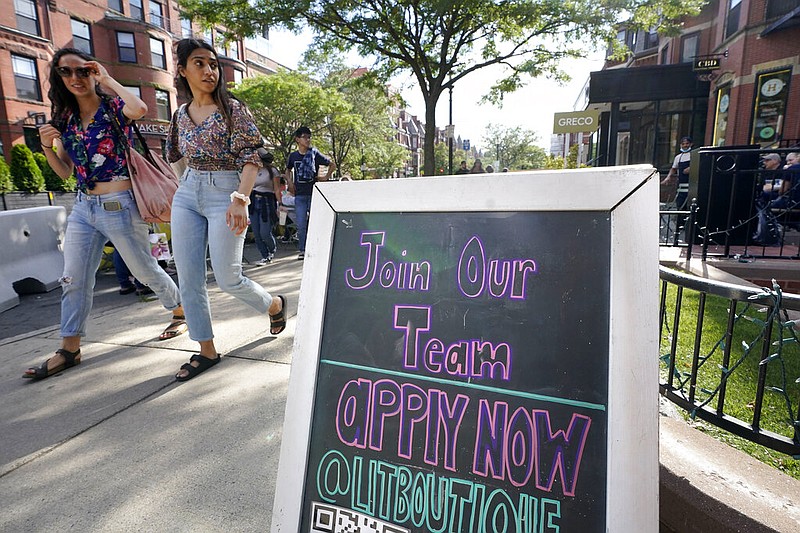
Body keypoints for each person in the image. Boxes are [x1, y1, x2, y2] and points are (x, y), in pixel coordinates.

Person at [24, 48, 187, 381]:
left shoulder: (113, 108)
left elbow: (140, 107)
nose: (75, 78)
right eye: (66, 72)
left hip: (120, 203)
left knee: (144, 270)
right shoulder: (64, 120)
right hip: (83, 207)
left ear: (92, 72)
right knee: (73, 279)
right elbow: (66, 172)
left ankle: (180, 309)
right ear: (58, 77)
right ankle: (69, 348)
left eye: (82, 71)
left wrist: (107, 79)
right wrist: (44, 148)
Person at [166, 38, 286, 382]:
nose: (209, 71)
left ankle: (274, 305)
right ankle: (206, 349)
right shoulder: (179, 115)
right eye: (200, 63)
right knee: (188, 278)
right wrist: (185, 187)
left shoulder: (233, 109)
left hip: (228, 193)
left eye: (213, 64)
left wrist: (240, 199)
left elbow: (252, 157)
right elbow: (175, 155)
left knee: (228, 277)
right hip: (188, 193)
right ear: (183, 70)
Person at [285, 126, 336, 260]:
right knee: (301, 224)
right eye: (304, 137)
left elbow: (332, 164)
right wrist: (290, 183)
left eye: (309, 137)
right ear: (297, 139)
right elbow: (287, 170)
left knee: (317, 222)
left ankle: (320, 247)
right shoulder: (293, 156)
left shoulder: (314, 153)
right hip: (300, 195)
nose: (307, 140)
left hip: (314, 194)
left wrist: (325, 177)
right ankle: (303, 250)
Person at [250, 150, 281, 265]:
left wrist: (280, 204)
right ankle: (265, 255)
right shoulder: (252, 170)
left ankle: (272, 249)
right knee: (256, 234)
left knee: (265, 232)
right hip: (253, 202)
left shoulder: (272, 171)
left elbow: (277, 189)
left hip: (266, 202)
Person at [661, 136, 693, 209]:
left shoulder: (694, 155)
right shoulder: (678, 157)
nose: (685, 145)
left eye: (687, 143)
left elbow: (699, 166)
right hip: (681, 186)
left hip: (691, 186)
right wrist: (668, 177)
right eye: (683, 144)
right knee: (680, 205)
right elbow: (673, 168)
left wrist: (692, 168)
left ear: (691, 144)